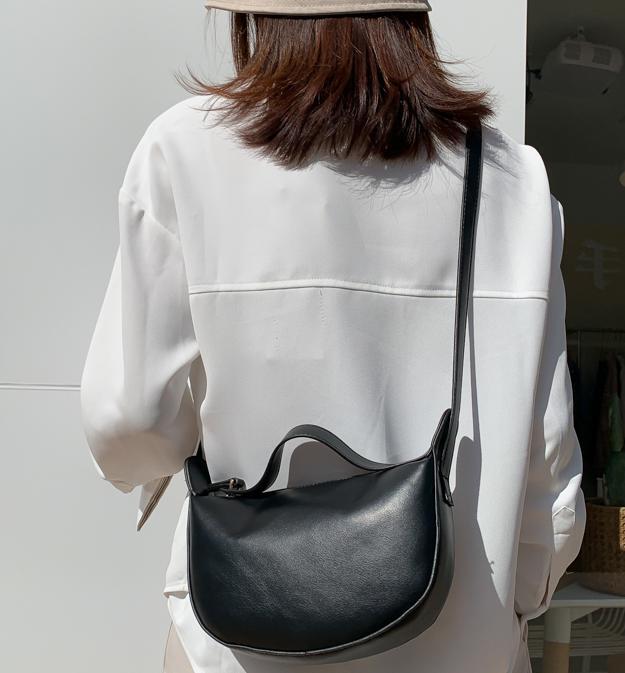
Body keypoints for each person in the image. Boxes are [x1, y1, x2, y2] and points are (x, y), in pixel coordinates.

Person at [79, 2, 587, 672]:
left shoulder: (183, 149)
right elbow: (550, 480)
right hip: (464, 646)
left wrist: (159, 467)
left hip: (240, 641)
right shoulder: (511, 180)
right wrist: (506, 611)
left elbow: (130, 421)